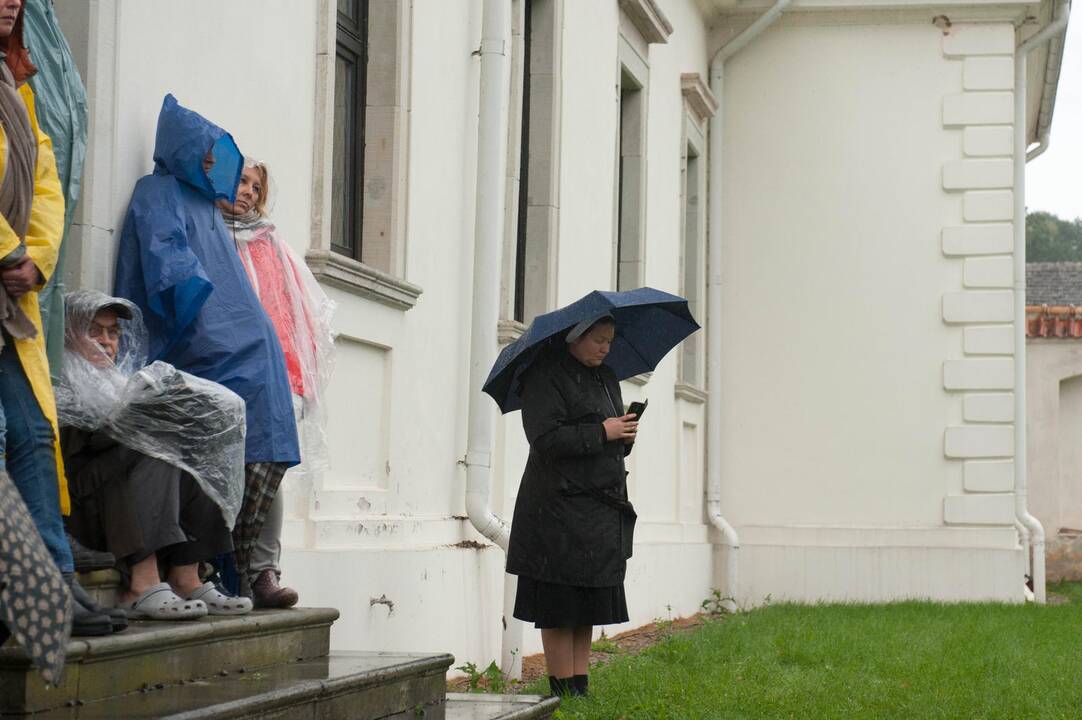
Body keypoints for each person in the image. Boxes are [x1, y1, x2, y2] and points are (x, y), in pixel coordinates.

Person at [113, 95, 301, 609]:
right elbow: (169, 271)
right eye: (210, 159)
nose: (216, 171)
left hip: (245, 361)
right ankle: (194, 572)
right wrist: (208, 325)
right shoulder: (161, 192)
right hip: (207, 355)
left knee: (250, 464)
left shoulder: (206, 209)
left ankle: (211, 573)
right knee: (204, 465)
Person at [0, 0, 116, 637]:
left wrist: (37, 258)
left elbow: (46, 174)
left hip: (11, 301)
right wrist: (6, 249)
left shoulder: (14, 84)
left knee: (35, 436)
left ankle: (56, 584)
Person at [56, 290, 251, 619]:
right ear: (70, 333)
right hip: (79, 504)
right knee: (151, 442)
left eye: (113, 332)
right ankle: (141, 585)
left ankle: (186, 576)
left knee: (194, 442)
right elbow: (83, 443)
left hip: (116, 487)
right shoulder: (58, 377)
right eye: (95, 331)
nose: (106, 341)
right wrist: (138, 417)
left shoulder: (114, 380)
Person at [218, 159, 334, 607]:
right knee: (226, 469)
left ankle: (264, 570)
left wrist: (293, 376)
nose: (247, 191)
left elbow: (288, 313)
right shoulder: (211, 231)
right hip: (225, 367)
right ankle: (223, 568)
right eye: (240, 180)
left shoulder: (269, 243)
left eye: (255, 185)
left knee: (270, 469)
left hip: (270, 374)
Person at [505, 315, 640, 698]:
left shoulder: (606, 377)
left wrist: (623, 433)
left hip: (599, 509)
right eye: (598, 339)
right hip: (557, 511)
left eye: (610, 341)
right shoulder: (545, 375)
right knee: (561, 605)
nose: (605, 348)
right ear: (576, 337)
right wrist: (602, 431)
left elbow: (608, 436)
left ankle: (580, 687)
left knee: (588, 603)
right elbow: (544, 439)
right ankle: (562, 688)